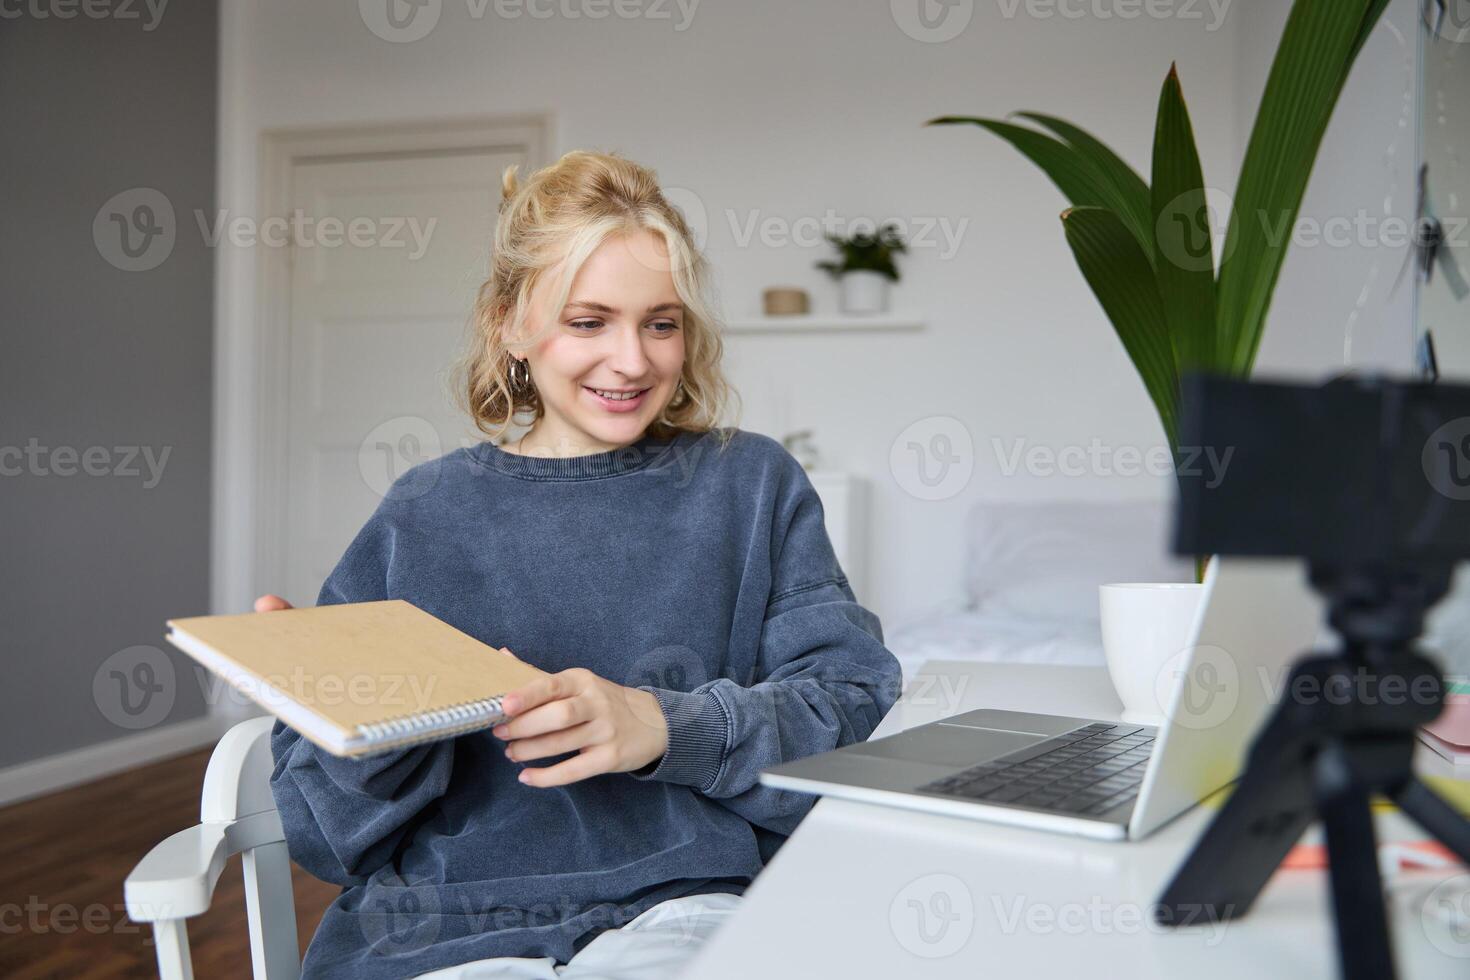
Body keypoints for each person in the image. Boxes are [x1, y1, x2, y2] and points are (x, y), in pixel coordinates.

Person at [258, 150, 903, 979]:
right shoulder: (423, 514)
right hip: (439, 929)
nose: (633, 362)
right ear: (509, 324)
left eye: (661, 323)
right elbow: (323, 837)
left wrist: (664, 728)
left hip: (685, 907)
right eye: (589, 322)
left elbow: (854, 721)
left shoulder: (750, 486)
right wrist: (359, 717)